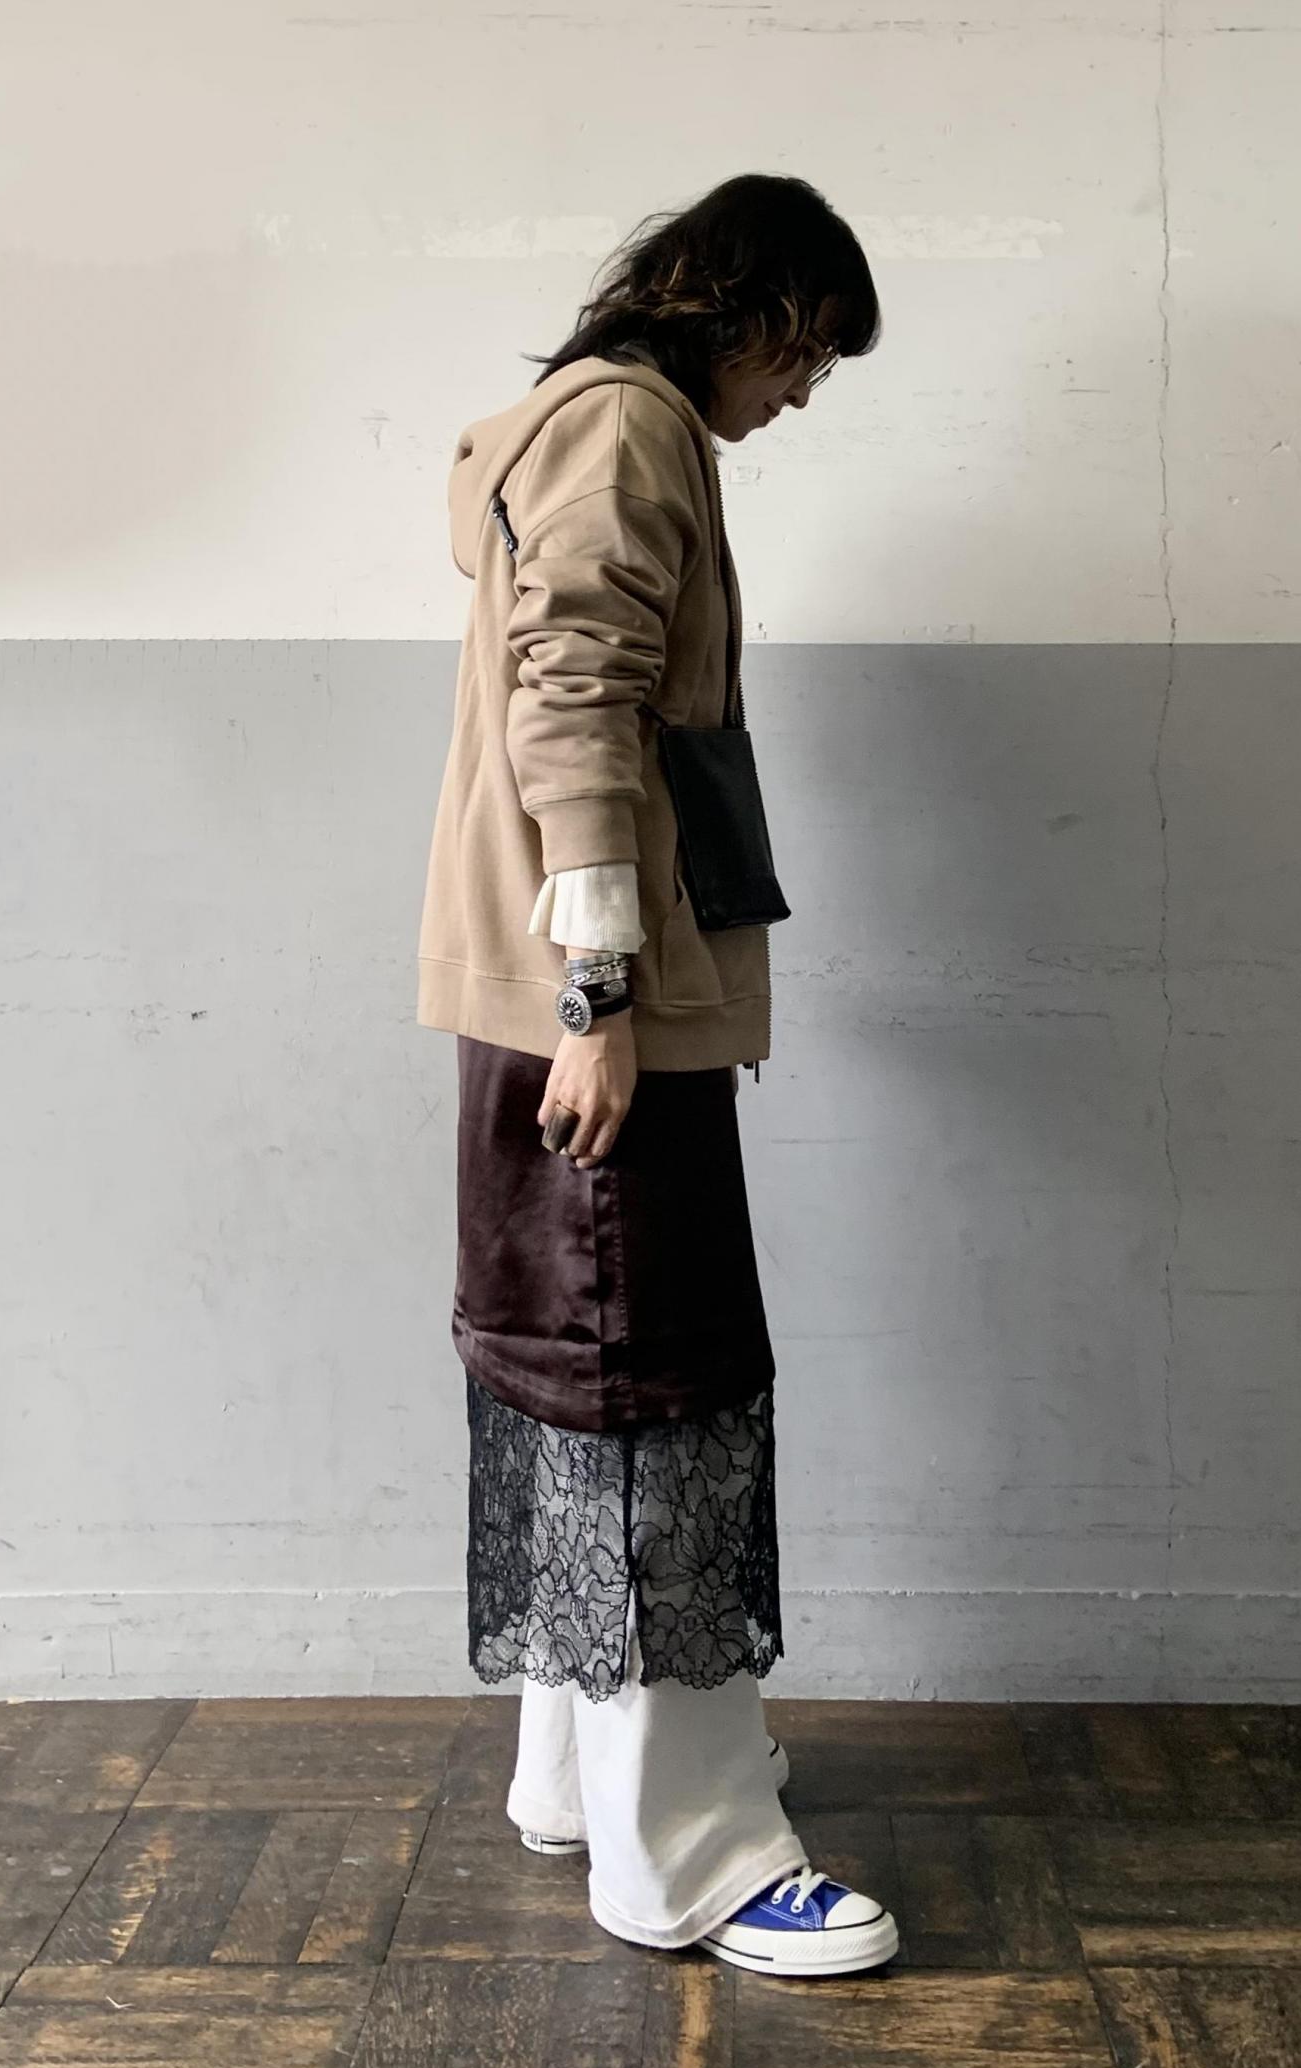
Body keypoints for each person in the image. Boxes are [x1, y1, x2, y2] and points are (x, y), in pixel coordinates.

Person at [416, 172, 898, 1977]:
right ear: (738, 305)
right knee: (654, 1385)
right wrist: (602, 992)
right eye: (805, 349)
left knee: (581, 1371)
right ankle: (687, 1858)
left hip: (567, 1001)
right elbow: (574, 698)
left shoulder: (582, 424)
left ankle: (579, 1778)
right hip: (598, 1004)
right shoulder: (627, 427)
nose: (804, 390)